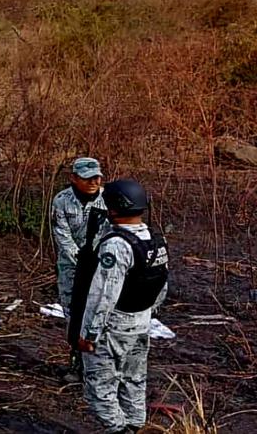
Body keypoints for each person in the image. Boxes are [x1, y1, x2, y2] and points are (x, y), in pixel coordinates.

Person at [76, 179, 169, 434]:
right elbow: (162, 286)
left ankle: (119, 430)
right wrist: (147, 312)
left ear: (114, 208)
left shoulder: (116, 244)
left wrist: (88, 335)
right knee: (134, 380)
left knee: (99, 387)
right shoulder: (155, 240)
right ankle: (135, 425)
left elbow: (103, 294)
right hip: (142, 322)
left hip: (114, 326)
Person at [52, 157, 107, 378]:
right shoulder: (62, 201)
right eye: (87, 178)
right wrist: (81, 263)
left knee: (98, 312)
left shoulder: (108, 199)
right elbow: (62, 237)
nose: (93, 181)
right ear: (74, 179)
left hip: (102, 267)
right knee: (73, 312)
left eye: (97, 177)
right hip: (71, 267)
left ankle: (97, 363)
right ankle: (76, 358)